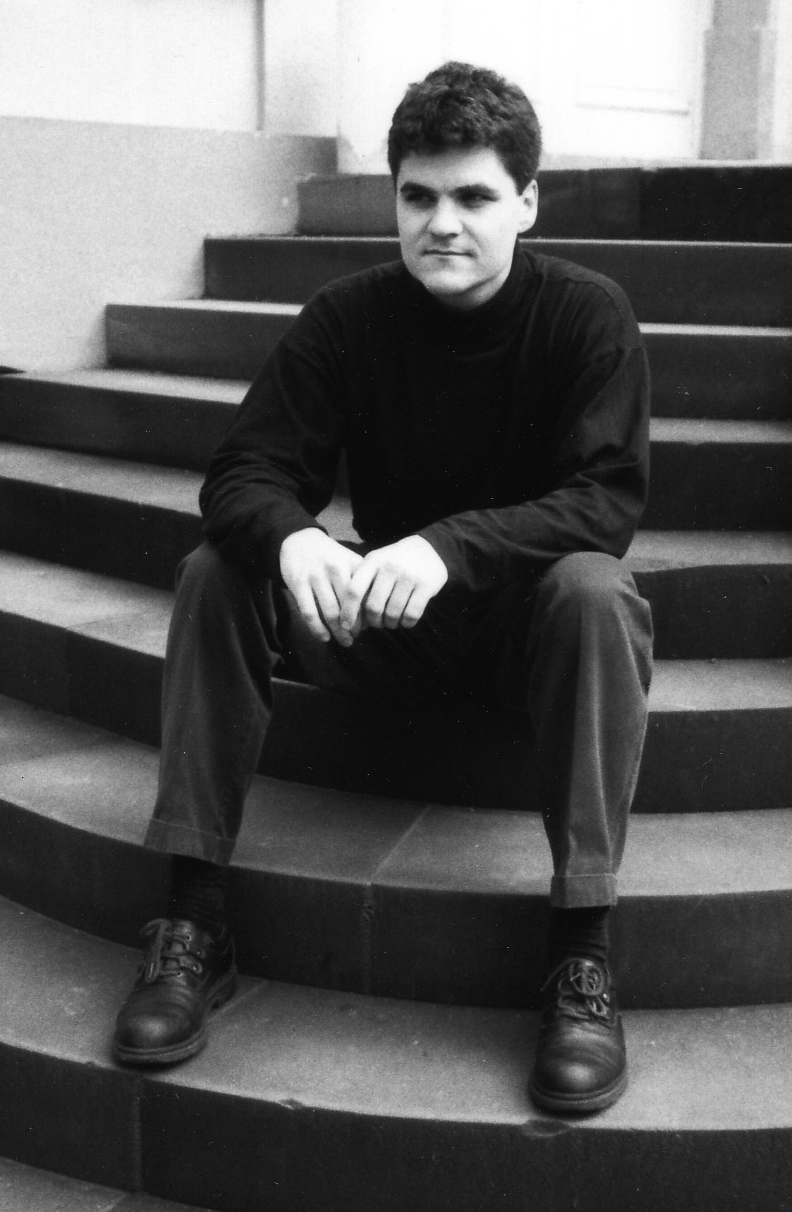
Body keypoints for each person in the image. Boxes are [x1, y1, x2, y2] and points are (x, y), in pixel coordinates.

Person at [112, 61, 653, 1115]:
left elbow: (606, 501)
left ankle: (582, 953)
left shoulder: (587, 316)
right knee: (219, 568)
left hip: (516, 639)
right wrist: (294, 540)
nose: (442, 224)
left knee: (596, 592)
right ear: (395, 199)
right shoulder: (347, 317)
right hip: (375, 625)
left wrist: (449, 548)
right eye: (419, 196)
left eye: (474, 196)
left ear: (527, 202)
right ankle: (193, 920)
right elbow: (243, 472)